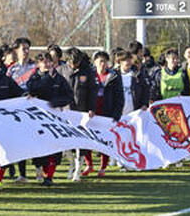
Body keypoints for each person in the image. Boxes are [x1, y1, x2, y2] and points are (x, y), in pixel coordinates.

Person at [27, 53, 73, 186]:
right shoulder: (34, 77)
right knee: (40, 148)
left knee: (55, 147)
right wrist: (47, 78)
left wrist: (56, 103)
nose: (47, 65)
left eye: (49, 62)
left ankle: (50, 176)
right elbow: (32, 89)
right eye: (44, 62)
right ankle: (41, 171)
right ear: (38, 64)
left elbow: (69, 96)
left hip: (54, 119)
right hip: (37, 120)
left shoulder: (59, 79)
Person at [0, 47, 24, 190]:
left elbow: (18, 92)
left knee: (4, 149)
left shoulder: (5, 79)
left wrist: (27, 95)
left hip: (3, 121)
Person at [57, 47, 97, 181]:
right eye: (73, 62)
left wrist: (91, 108)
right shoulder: (61, 71)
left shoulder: (88, 72)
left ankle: (78, 170)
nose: (75, 65)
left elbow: (92, 92)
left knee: (81, 142)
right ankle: (71, 164)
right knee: (65, 144)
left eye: (77, 62)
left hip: (82, 111)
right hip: (65, 111)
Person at [82, 51, 124, 177]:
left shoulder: (114, 76)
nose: (102, 64)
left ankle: (103, 167)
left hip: (106, 112)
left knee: (105, 140)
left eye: (105, 61)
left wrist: (116, 114)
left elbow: (119, 96)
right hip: (91, 112)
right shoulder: (89, 75)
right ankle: (89, 164)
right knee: (86, 139)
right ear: (94, 63)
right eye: (100, 61)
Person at [6, 37, 36, 183]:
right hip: (17, 110)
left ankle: (40, 171)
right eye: (22, 48)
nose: (25, 51)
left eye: (27, 48)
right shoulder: (11, 70)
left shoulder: (35, 67)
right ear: (16, 51)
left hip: (34, 109)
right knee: (19, 141)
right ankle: (21, 174)